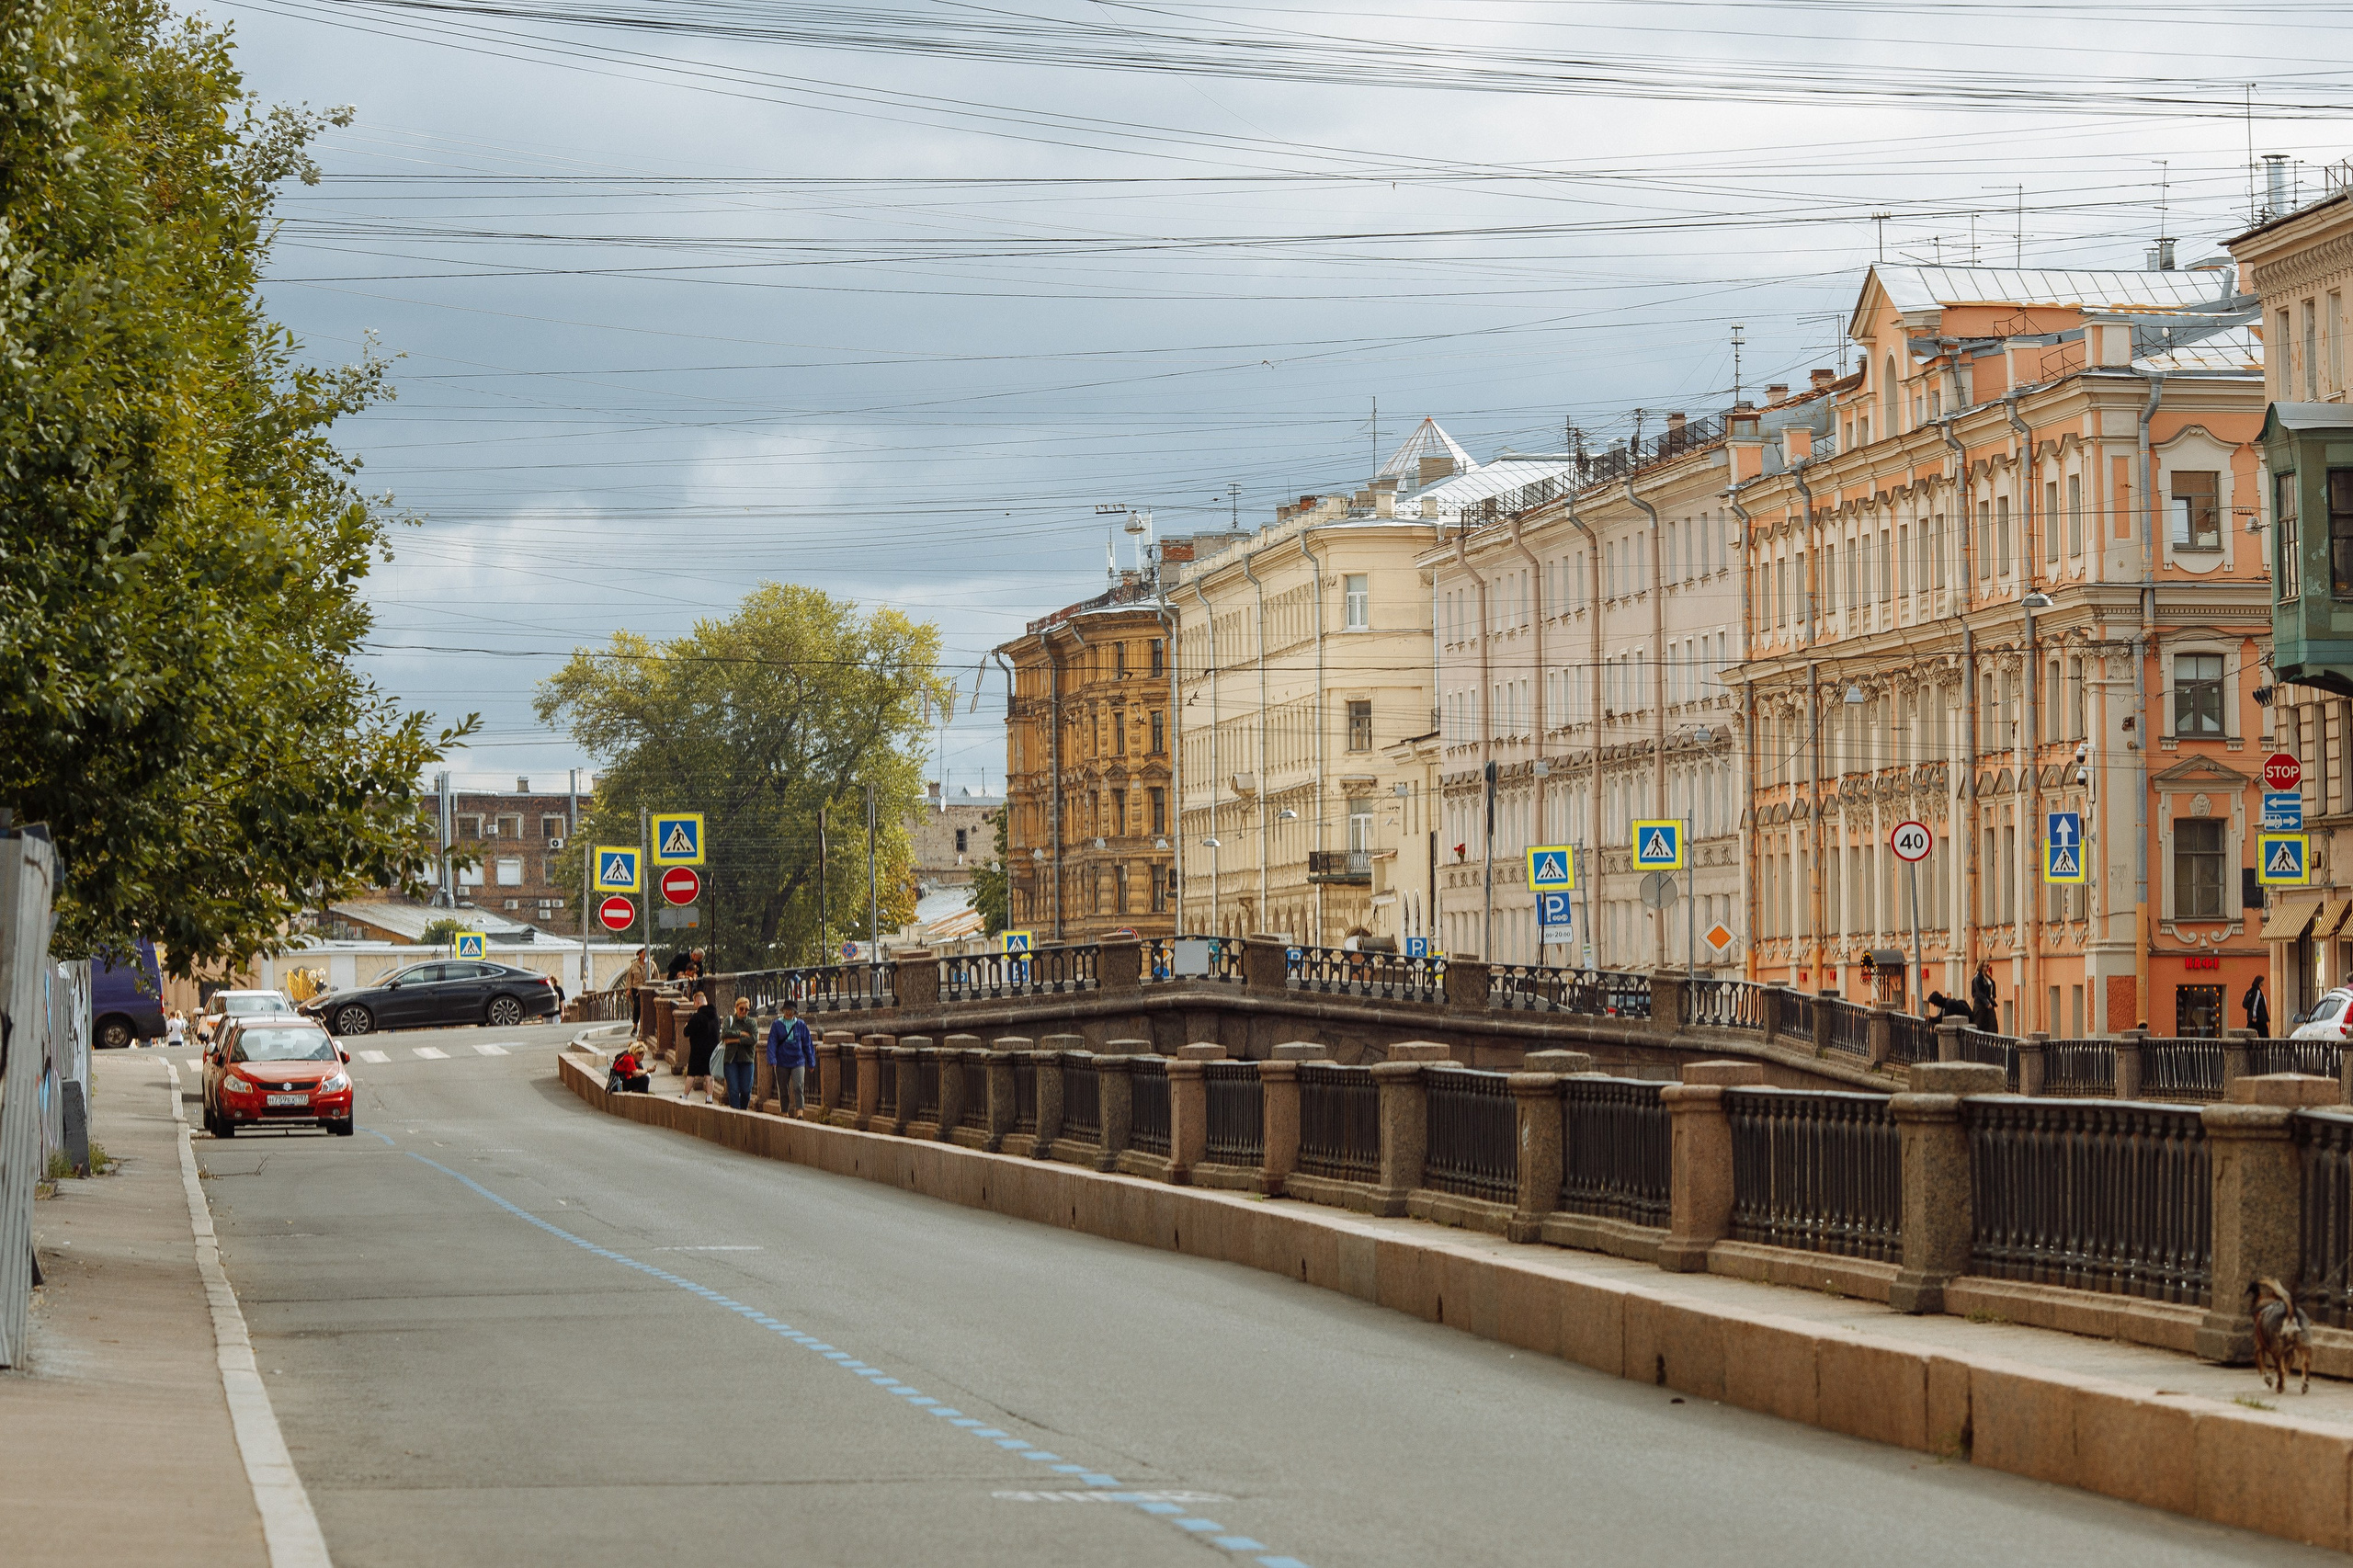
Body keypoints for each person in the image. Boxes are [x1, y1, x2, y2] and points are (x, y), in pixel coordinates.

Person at [767, 998, 816, 1118]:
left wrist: (811, 1062)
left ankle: (800, 1112)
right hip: (782, 1061)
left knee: (799, 1086)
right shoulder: (777, 1025)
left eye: (791, 1010)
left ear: (795, 1012)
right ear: (783, 1011)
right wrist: (772, 1060)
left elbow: (807, 1044)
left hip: (798, 1060)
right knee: (783, 1088)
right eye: (787, 1010)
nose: (789, 1012)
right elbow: (772, 1043)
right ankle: (784, 1111)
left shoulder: (800, 1025)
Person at [720, 997, 759, 1110]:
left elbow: (753, 1039)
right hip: (731, 1059)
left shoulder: (751, 1023)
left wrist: (735, 1040)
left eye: (746, 1010)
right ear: (736, 1008)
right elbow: (724, 1034)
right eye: (741, 1008)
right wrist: (741, 1033)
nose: (743, 1011)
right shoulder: (729, 1020)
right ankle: (736, 1115)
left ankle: (743, 1112)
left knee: (746, 1090)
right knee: (733, 1089)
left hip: (746, 1059)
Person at [682, 992, 720, 1103]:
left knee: (691, 1073)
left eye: (694, 1002)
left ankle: (684, 1096)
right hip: (712, 1049)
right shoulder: (715, 1016)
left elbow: (686, 1032)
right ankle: (709, 1098)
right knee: (709, 1074)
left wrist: (686, 1026)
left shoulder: (697, 1016)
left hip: (697, 1050)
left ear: (698, 1002)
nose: (694, 1005)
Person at [1970, 961, 1999, 1034]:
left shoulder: (1988, 978)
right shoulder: (1977, 978)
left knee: (1993, 1024)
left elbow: (1992, 987)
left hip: (1989, 1003)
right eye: (1985, 966)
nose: (1987, 968)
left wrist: (1992, 999)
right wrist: (1986, 1002)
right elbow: (1978, 992)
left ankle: (1991, 1041)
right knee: (1979, 1023)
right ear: (1981, 967)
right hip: (1980, 1005)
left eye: (1987, 966)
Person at [2245, 974, 2271, 1039]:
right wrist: (2254, 1016)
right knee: (2264, 1034)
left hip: (2253, 1018)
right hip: (2258, 1018)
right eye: (2263, 981)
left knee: (2249, 1033)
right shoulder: (2257, 991)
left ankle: (2247, 1047)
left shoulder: (2252, 991)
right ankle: (2264, 1047)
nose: (2264, 982)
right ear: (2260, 982)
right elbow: (2255, 1004)